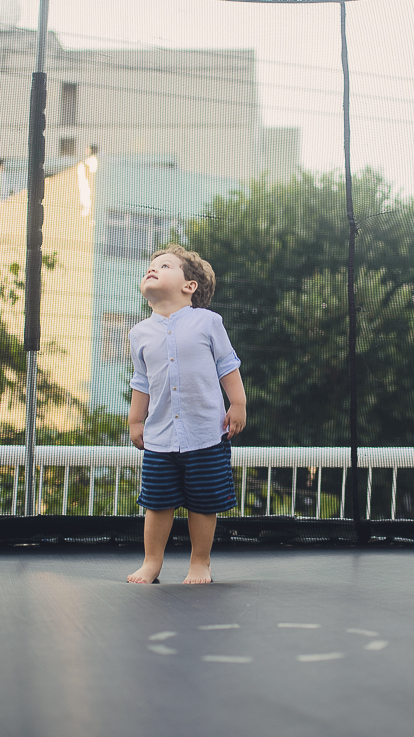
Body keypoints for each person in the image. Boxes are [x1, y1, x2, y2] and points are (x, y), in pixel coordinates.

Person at [125, 244, 246, 584]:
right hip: (161, 437)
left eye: (164, 266)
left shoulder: (207, 322)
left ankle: (200, 562)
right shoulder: (139, 334)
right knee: (157, 503)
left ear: (189, 286)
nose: (153, 269)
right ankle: (152, 562)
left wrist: (237, 404)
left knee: (203, 503)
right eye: (150, 266)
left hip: (206, 432)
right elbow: (142, 380)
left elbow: (228, 365)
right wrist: (136, 419)